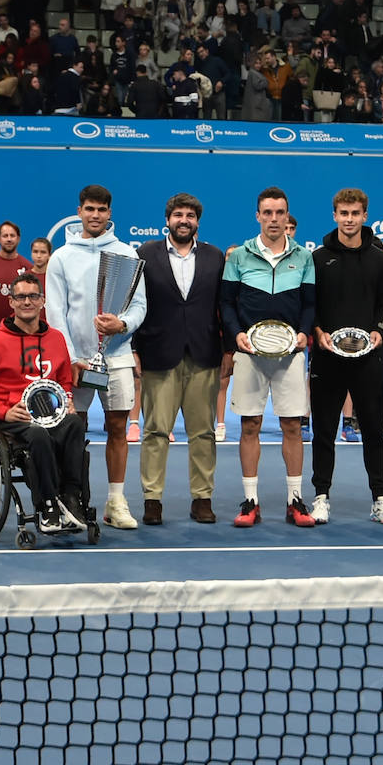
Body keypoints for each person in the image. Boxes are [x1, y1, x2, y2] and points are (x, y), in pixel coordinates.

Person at [46, 184, 148, 530]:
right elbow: (56, 314)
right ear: (79, 211)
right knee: (73, 429)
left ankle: (116, 501)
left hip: (117, 356)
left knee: (118, 427)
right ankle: (71, 499)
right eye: (89, 208)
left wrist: (123, 323)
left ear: (109, 214)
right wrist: (72, 357)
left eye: (101, 210)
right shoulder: (61, 257)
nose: (95, 215)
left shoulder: (126, 254)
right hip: (73, 361)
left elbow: (139, 305)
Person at [219, 186, 317, 528]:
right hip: (250, 353)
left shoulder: (304, 257)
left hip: (290, 355)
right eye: (268, 213)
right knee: (250, 425)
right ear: (258, 216)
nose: (274, 219)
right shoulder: (239, 257)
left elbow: (309, 303)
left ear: (287, 217)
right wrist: (237, 335)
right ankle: (251, 501)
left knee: (292, 425)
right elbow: (227, 304)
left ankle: (295, 501)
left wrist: (304, 332)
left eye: (280, 213)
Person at [0, 273, 90, 533]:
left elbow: (64, 381)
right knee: (38, 434)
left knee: (75, 423)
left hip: (50, 413)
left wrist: (67, 402)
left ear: (43, 301)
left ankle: (71, 497)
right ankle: (46, 505)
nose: (27, 302)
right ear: (11, 302)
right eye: (20, 297)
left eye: (33, 296)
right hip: (12, 418)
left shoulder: (56, 338)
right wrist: (4, 411)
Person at [133, 193, 225, 525]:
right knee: (156, 431)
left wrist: (227, 350)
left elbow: (223, 307)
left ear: (197, 221)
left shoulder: (215, 257)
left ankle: (202, 498)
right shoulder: (145, 254)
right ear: (167, 219)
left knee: (203, 432)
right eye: (177, 214)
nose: (183, 220)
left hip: (204, 355)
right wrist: (133, 349)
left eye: (190, 215)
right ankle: (152, 500)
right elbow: (134, 304)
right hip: (158, 353)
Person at [308, 188, 383, 526]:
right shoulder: (317, 259)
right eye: (343, 213)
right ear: (335, 216)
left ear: (365, 216)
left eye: (355, 213)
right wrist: (318, 333)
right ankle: (321, 497)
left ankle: (381, 499)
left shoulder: (380, 260)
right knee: (323, 431)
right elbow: (310, 306)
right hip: (327, 358)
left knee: (374, 430)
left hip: (368, 359)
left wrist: (378, 330)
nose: (349, 220)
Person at [0, 220, 32, 328]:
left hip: (18, 328)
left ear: (18, 239)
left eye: (12, 236)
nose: (9, 239)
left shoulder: (27, 268)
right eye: (5, 236)